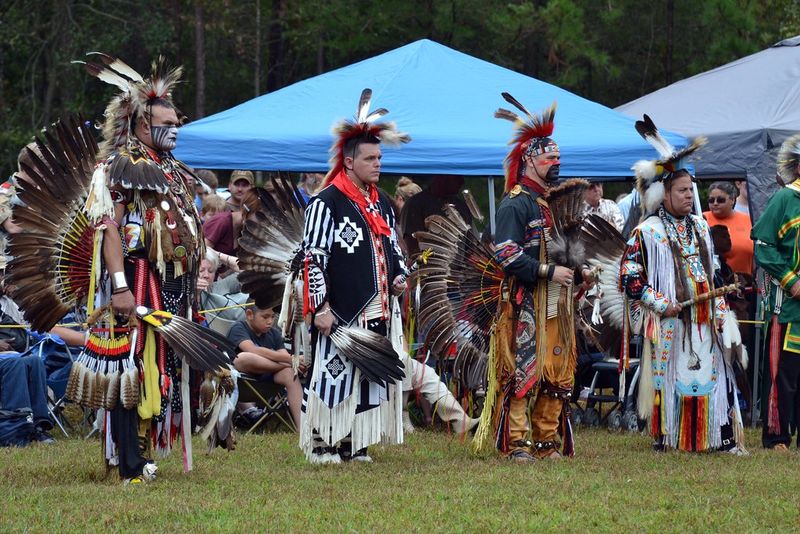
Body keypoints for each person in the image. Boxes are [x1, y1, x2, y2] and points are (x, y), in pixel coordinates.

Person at [79, 56, 208, 483]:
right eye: (164, 122)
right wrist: (118, 286)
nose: (174, 128)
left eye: (177, 121)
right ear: (139, 123)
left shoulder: (170, 168)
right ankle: (128, 461)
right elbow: (109, 230)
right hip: (135, 279)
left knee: (161, 369)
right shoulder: (120, 166)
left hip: (170, 283)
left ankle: (144, 451)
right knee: (132, 365)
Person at [621, 118, 745, 453]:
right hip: (670, 323)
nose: (690, 196)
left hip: (704, 316)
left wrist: (720, 308)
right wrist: (662, 303)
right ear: (664, 194)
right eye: (682, 191)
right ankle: (671, 434)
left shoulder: (701, 227)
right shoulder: (647, 232)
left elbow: (712, 272)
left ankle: (715, 435)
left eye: (691, 190)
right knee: (674, 378)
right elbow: (629, 278)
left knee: (709, 375)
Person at [300, 88, 409, 464]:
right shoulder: (325, 202)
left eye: (380, 157)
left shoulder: (381, 202)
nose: (378, 164)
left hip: (377, 306)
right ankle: (322, 442)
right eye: (370, 158)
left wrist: (400, 277)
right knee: (333, 376)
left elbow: (392, 247)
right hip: (342, 308)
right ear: (349, 162)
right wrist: (320, 305)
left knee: (366, 378)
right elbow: (312, 259)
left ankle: (355, 443)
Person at [487, 96, 589, 462]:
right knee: (523, 371)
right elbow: (507, 253)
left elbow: (560, 251)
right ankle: (518, 444)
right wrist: (547, 271)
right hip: (524, 303)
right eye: (549, 158)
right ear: (530, 160)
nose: (556, 163)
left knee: (557, 371)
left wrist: (579, 273)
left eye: (558, 158)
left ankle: (546, 443)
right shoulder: (516, 203)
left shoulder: (548, 203)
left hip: (555, 305)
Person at [752, 133, 800, 451]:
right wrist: (790, 279)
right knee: (785, 373)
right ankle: (777, 435)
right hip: (790, 306)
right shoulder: (786, 200)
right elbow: (763, 245)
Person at [227, 302, 304, 429]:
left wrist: (291, 362)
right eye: (265, 317)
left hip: (268, 384)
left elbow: (285, 358)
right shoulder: (238, 327)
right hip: (243, 384)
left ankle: (303, 429)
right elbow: (253, 350)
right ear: (249, 314)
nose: (270, 321)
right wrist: (292, 360)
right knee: (243, 357)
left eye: (273, 317)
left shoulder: (273, 333)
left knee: (290, 373)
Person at [399, 175, 472, 258]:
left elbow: (471, 245)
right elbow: (411, 245)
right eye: (456, 177)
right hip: (427, 267)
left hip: (461, 268)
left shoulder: (461, 206)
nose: (462, 181)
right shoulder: (415, 204)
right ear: (441, 178)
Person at [703, 181, 753, 276]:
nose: (715, 203)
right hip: (715, 283)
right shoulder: (702, 220)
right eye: (711, 200)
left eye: (720, 200)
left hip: (746, 283)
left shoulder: (748, 220)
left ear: (732, 200)